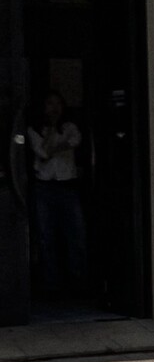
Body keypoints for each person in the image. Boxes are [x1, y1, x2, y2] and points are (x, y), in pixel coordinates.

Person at [27, 91, 87, 295]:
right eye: (50, 104)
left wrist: (53, 148)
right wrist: (52, 133)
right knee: (46, 236)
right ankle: (51, 283)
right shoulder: (33, 130)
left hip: (67, 185)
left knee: (76, 234)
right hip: (44, 186)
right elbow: (43, 153)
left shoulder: (70, 127)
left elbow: (74, 141)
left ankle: (78, 280)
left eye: (58, 104)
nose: (54, 108)